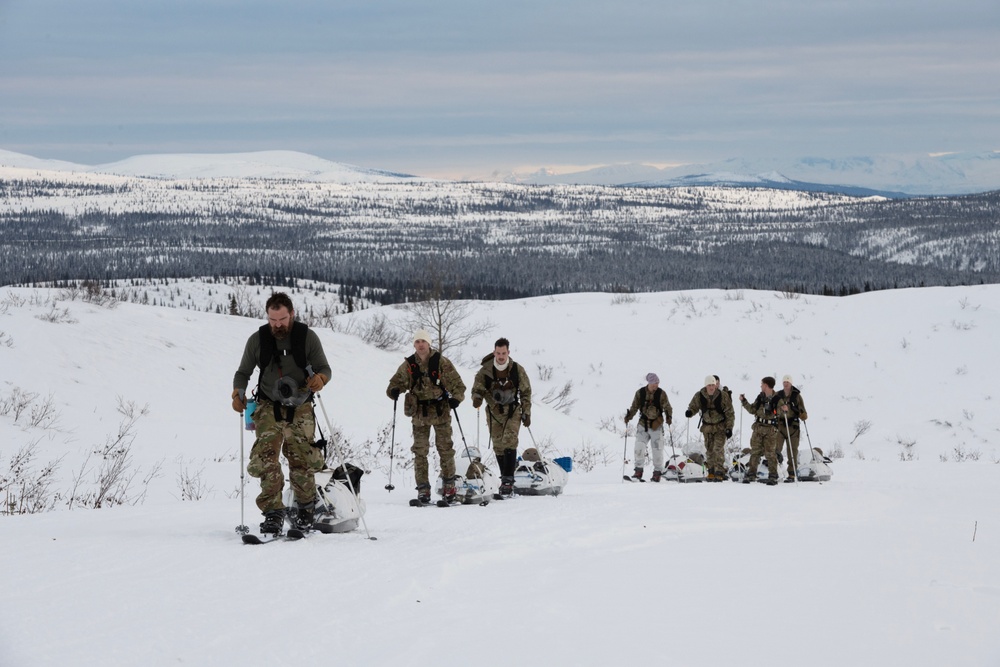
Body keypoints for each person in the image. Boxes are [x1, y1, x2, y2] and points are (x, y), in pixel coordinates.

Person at [232, 292, 331, 535]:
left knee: (301, 457)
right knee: (266, 459)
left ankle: (306, 508)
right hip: (268, 405)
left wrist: (320, 379)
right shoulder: (258, 340)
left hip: (300, 404)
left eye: (282, 319)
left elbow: (324, 368)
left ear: (292, 315)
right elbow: (242, 372)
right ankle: (273, 513)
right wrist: (238, 393)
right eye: (272, 320)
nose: (277, 325)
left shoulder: (306, 337)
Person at [386, 329, 466, 504]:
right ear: (414, 345)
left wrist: (456, 399)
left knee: (445, 449)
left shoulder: (441, 363)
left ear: (429, 343)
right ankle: (423, 489)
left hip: (440, 412)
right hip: (419, 414)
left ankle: (449, 487)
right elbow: (394, 384)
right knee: (420, 452)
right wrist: (394, 391)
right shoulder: (409, 365)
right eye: (417, 342)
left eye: (423, 341)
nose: (420, 345)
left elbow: (458, 386)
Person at [471, 337, 532, 497]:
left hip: (513, 411)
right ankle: (505, 476)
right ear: (494, 352)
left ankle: (508, 481)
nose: (501, 356)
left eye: (503, 353)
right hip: (493, 412)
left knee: (509, 440)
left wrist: (527, 412)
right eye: (498, 353)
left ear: (508, 352)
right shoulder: (485, 370)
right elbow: (477, 387)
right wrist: (477, 398)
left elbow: (526, 392)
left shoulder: (517, 370)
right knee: (498, 445)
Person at [624, 372, 673, 482]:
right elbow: (634, 407)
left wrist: (669, 416)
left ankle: (657, 472)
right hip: (643, 424)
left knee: (657, 450)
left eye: (657, 383)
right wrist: (628, 416)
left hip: (657, 425)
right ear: (649, 383)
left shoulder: (661, 393)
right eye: (654, 383)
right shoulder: (640, 393)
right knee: (639, 447)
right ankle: (638, 471)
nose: (656, 385)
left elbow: (668, 407)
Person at [685, 375, 734, 481]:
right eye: (709, 385)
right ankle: (711, 471)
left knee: (718, 449)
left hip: (720, 427)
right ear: (706, 385)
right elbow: (693, 406)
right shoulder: (699, 395)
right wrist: (690, 412)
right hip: (707, 427)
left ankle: (719, 471)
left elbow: (730, 413)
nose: (711, 387)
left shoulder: (723, 396)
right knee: (709, 449)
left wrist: (729, 428)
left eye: (713, 385)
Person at [739, 377, 781, 485]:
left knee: (770, 453)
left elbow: (780, 413)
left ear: (766, 385)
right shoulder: (760, 397)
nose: (761, 386)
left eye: (762, 384)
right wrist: (744, 401)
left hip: (770, 430)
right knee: (755, 452)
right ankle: (751, 474)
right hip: (758, 428)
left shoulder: (777, 399)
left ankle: (773, 476)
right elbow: (753, 409)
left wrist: (784, 409)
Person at [775, 374, 808, 482]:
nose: (785, 384)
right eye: (784, 382)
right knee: (776, 449)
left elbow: (803, 411)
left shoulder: (797, 396)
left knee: (792, 451)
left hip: (793, 427)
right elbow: (773, 408)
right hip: (780, 426)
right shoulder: (778, 395)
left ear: (791, 383)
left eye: (787, 382)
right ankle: (774, 471)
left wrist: (802, 414)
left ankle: (792, 473)